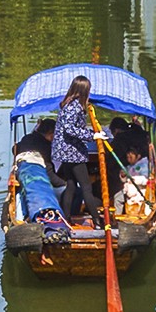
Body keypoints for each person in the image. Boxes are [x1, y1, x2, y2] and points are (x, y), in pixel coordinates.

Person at [50, 74, 105, 222]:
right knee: (86, 187)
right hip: (72, 152)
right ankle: (97, 220)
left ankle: (66, 218)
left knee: (71, 185)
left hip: (65, 152)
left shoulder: (67, 104)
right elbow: (69, 129)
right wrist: (93, 135)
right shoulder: (75, 107)